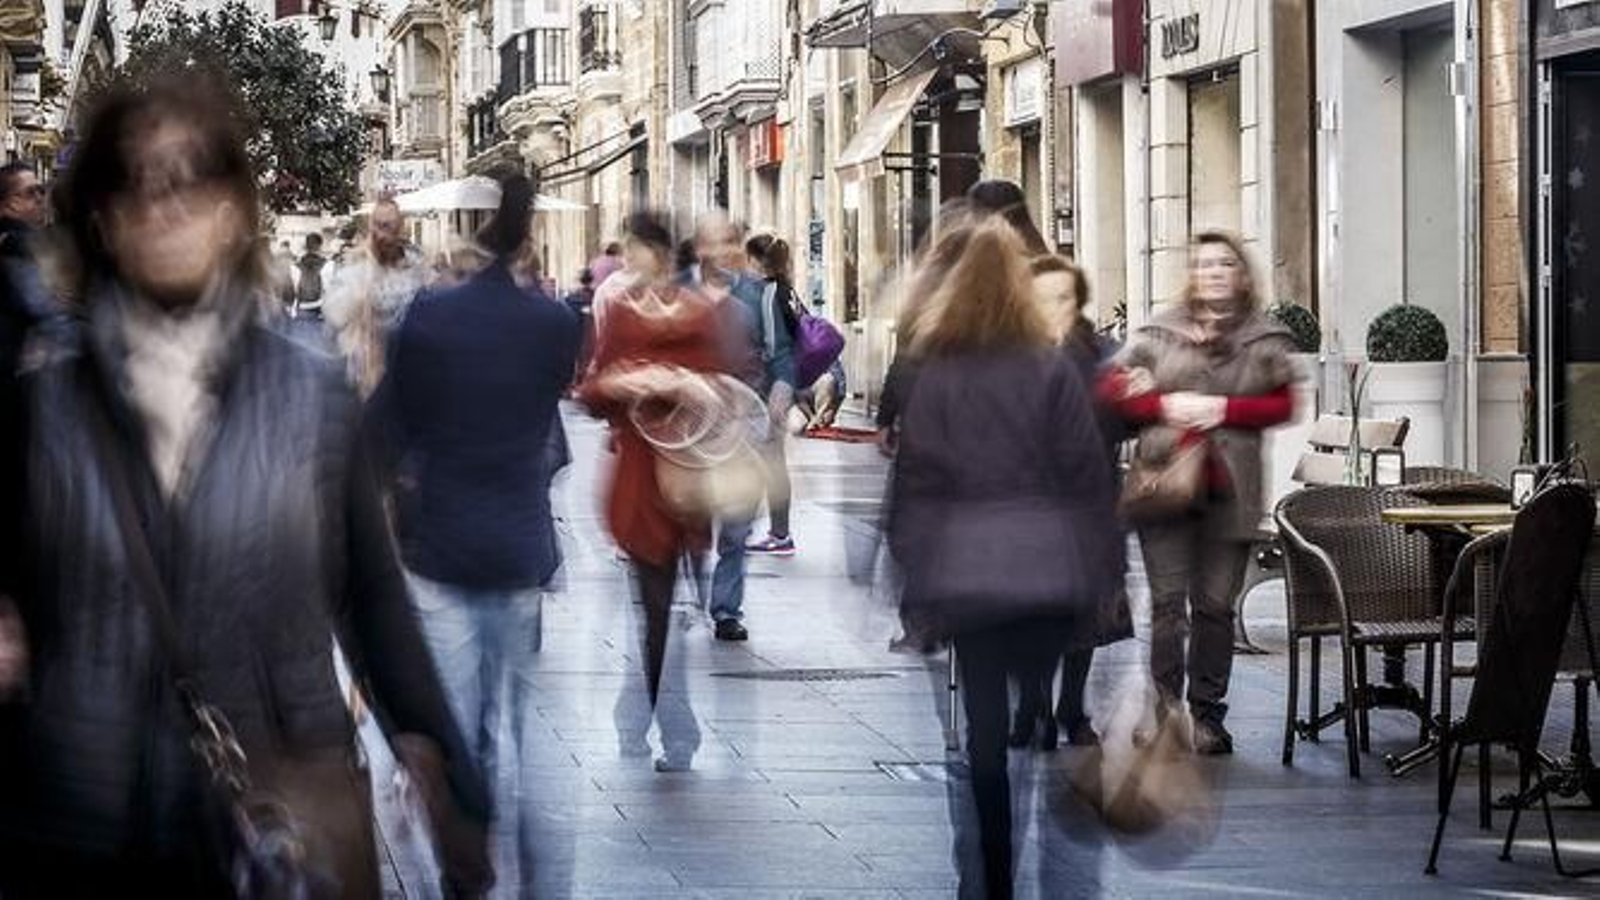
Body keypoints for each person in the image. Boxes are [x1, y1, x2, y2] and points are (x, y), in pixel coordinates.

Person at [0, 72, 490, 897]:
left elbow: (370, 595)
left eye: (191, 175)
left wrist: (442, 757)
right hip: (81, 815)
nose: (164, 202)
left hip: (278, 807)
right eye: (133, 179)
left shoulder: (311, 395)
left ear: (234, 208)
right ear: (101, 217)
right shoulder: (42, 405)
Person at [886, 217, 1119, 899]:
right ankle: (1050, 821)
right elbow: (1087, 478)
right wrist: (1102, 572)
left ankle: (992, 871)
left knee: (984, 730)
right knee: (1037, 712)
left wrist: (911, 574)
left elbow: (915, 483)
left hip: (966, 576)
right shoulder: (1050, 371)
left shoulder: (938, 376)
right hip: (1047, 573)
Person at [375, 169, 579, 824]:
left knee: (456, 708)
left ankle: (466, 837)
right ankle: (508, 821)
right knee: (512, 710)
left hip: (441, 544)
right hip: (519, 547)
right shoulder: (553, 324)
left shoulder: (432, 316)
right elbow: (547, 413)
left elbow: (390, 426)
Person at [1099, 230, 1297, 755]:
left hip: (1230, 493)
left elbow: (1283, 406)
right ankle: (1166, 709)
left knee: (1214, 607)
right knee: (1167, 605)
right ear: (1192, 273)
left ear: (1241, 274)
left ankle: (1208, 715)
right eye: (1205, 264)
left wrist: (1224, 411)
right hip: (1164, 488)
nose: (1214, 272)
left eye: (1225, 264)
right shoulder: (1158, 333)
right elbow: (1113, 394)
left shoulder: (1264, 337)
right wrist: (1160, 405)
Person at [579, 211, 721, 771]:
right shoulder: (620, 313)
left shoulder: (698, 315)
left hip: (685, 475)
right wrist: (621, 384)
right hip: (644, 480)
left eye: (634, 249)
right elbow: (591, 389)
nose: (626, 260)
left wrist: (683, 385)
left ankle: (644, 721)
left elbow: (726, 388)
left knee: (661, 612)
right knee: (658, 611)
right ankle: (669, 729)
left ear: (656, 253)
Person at [1009, 255, 1134, 750]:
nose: (1052, 308)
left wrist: (1134, 401)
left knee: (1085, 611)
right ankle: (1031, 706)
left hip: (1089, 502)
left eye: (1062, 297)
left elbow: (1127, 425)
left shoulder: (1104, 354)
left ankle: (1072, 708)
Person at [688, 213, 795, 640]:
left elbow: (781, 353)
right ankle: (688, 591)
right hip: (691, 427)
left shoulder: (758, 295)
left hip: (743, 424)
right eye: (711, 243)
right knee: (691, 523)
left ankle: (726, 610)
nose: (720, 252)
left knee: (735, 527)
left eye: (729, 242)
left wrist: (783, 386)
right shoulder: (676, 297)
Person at [323, 197, 431, 396]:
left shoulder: (418, 267)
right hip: (364, 384)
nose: (381, 235)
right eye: (376, 227)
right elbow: (334, 316)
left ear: (401, 228)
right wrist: (369, 267)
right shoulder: (355, 268)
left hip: (409, 378)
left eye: (387, 227)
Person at [741, 232, 800, 556]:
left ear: (754, 259)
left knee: (767, 463)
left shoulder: (767, 293)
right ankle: (776, 532)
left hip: (767, 392)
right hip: (773, 389)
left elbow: (776, 346)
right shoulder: (785, 289)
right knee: (771, 462)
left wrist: (780, 386)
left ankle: (778, 533)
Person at [293, 231, 328, 319]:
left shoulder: (296, 265)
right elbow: (327, 289)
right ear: (320, 246)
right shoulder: (327, 264)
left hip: (301, 308)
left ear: (306, 246)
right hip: (320, 309)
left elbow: (294, 288)